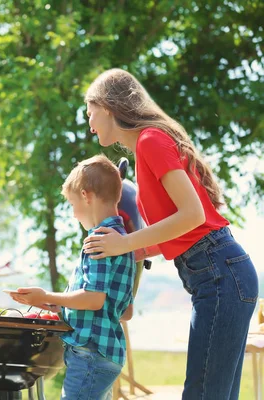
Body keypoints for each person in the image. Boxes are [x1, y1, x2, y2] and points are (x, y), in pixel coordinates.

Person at [82, 68, 258, 400]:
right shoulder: (145, 147)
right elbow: (177, 232)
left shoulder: (150, 140)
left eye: (90, 110)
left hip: (221, 276)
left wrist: (126, 242)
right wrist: (131, 251)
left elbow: (194, 216)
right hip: (219, 276)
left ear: (107, 107)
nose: (88, 120)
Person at [9, 154, 135, 400]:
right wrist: (59, 304)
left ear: (86, 196)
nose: (74, 214)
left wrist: (46, 294)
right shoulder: (124, 240)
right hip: (107, 353)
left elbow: (93, 299)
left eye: (72, 204)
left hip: (89, 354)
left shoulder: (98, 239)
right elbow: (123, 310)